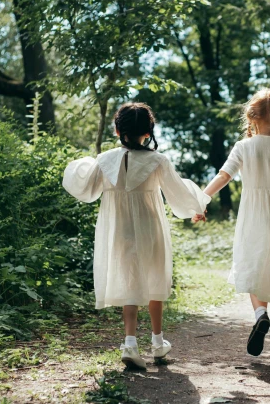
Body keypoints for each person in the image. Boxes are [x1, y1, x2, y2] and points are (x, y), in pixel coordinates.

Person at [62, 102, 210, 369]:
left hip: (118, 229)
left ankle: (130, 343)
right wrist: (196, 207)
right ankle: (157, 343)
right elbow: (178, 192)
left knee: (129, 280)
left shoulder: (104, 160)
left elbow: (85, 187)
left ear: (118, 130)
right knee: (154, 277)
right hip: (150, 228)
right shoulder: (157, 160)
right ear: (148, 131)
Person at [194, 89, 270, 360]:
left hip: (254, 217)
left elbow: (223, 176)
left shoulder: (244, 147)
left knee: (253, 267)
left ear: (252, 117)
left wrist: (201, 200)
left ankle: (261, 315)